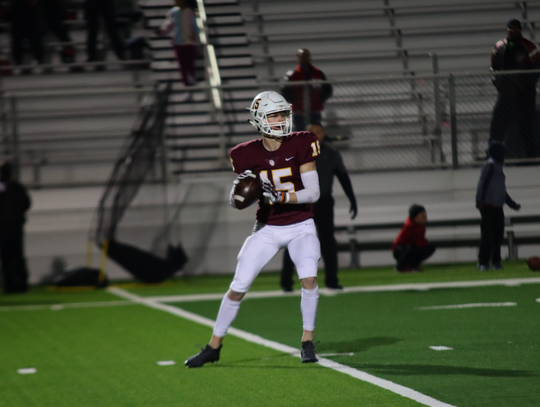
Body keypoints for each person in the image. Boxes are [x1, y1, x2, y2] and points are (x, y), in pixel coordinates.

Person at [185, 91, 321, 367]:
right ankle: (214, 346)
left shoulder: (302, 142)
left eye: (283, 113)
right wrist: (237, 199)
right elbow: (239, 199)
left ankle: (307, 341)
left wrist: (282, 197)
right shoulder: (244, 153)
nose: (281, 119)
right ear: (259, 119)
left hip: (301, 224)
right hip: (267, 227)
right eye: (274, 115)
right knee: (238, 287)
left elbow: (314, 192)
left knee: (309, 278)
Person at [281, 122, 357, 291]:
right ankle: (286, 282)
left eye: (318, 132)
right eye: (310, 132)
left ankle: (332, 280)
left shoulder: (332, 154)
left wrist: (352, 199)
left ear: (323, 134)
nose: (314, 135)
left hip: (323, 202)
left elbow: (343, 178)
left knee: (328, 241)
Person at [489, 19, 540, 159]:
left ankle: (531, 156)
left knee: (527, 125)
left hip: (525, 94)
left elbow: (536, 69)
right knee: (497, 123)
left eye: (515, 28)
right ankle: (492, 154)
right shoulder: (499, 46)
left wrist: (524, 84)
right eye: (510, 28)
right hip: (505, 92)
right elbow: (493, 66)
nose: (512, 30)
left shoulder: (529, 47)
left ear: (520, 30)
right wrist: (496, 81)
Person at [476, 141, 521, 270]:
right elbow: (482, 184)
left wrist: (512, 204)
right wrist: (479, 201)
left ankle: (496, 261)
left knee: (498, 235)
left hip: (497, 206)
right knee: (488, 235)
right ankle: (483, 262)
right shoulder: (490, 166)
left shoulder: (497, 167)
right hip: (488, 205)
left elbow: (501, 190)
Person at [281, 49, 333, 132]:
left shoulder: (318, 73)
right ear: (298, 58)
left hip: (314, 110)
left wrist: (319, 100)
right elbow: (284, 90)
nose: (304, 58)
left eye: (306, 56)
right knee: (299, 133)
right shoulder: (292, 75)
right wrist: (294, 100)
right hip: (299, 111)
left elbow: (327, 88)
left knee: (315, 133)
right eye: (302, 56)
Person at [0, 162, 31, 294]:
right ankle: (13, 284)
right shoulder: (15, 187)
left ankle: (18, 284)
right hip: (7, 227)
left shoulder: (16, 187)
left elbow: (26, 203)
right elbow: (26, 203)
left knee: (13, 256)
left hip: (12, 226)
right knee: (11, 256)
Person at [155, 0, 199, 87]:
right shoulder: (173, 12)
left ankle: (192, 77)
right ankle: (185, 82)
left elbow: (194, 25)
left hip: (189, 42)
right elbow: (169, 25)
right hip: (178, 42)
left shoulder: (189, 12)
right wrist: (161, 31)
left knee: (190, 62)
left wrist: (194, 33)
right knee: (182, 63)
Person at [392, 204, 436, 273]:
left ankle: (413, 265)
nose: (425, 216)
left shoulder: (421, 226)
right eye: (422, 214)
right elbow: (402, 241)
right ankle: (400, 267)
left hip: (411, 247)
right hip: (401, 250)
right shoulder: (409, 226)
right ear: (415, 216)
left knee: (429, 248)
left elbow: (421, 240)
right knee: (411, 247)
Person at [9, 0, 44, 65]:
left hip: (28, 22)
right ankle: (18, 60)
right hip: (20, 23)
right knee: (17, 43)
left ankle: (39, 59)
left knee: (35, 41)